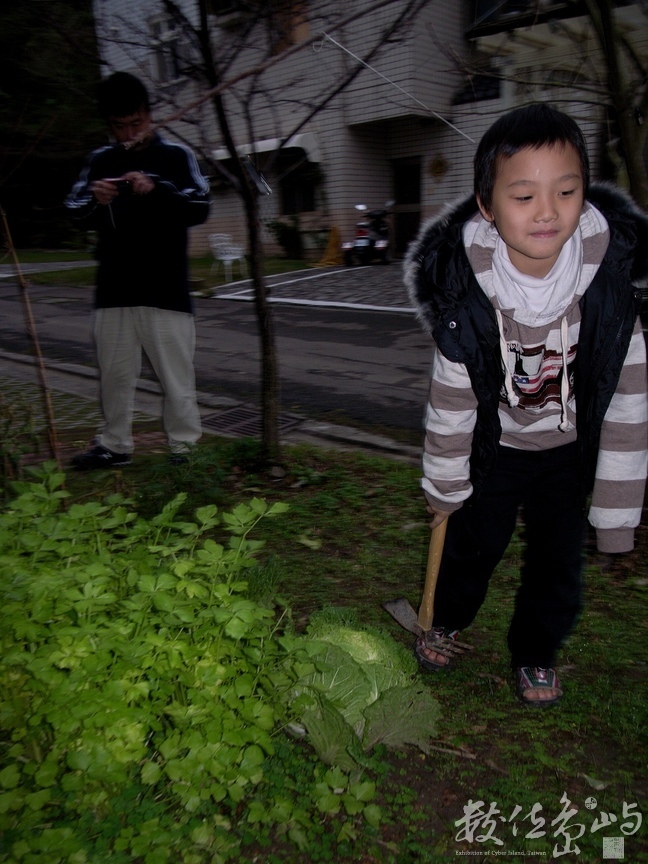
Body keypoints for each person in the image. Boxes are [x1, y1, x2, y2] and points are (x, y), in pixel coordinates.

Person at [404, 103, 648, 706]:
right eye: (523, 196)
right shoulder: (466, 295)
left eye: (566, 190)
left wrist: (616, 517)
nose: (547, 210)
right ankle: (446, 620)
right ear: (487, 206)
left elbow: (627, 405)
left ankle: (536, 652)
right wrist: (444, 486)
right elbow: (451, 405)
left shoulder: (611, 298)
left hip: (567, 452)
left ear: (585, 193)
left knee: (557, 563)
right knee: (471, 543)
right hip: (497, 446)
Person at [66, 71, 210, 469]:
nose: (128, 132)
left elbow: (200, 206)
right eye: (119, 126)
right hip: (113, 289)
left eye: (136, 123)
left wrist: (157, 187)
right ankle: (115, 445)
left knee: (176, 380)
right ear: (109, 124)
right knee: (114, 377)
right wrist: (96, 200)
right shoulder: (100, 160)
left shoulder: (176, 157)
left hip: (166, 290)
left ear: (150, 115)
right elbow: (74, 210)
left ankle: (184, 449)